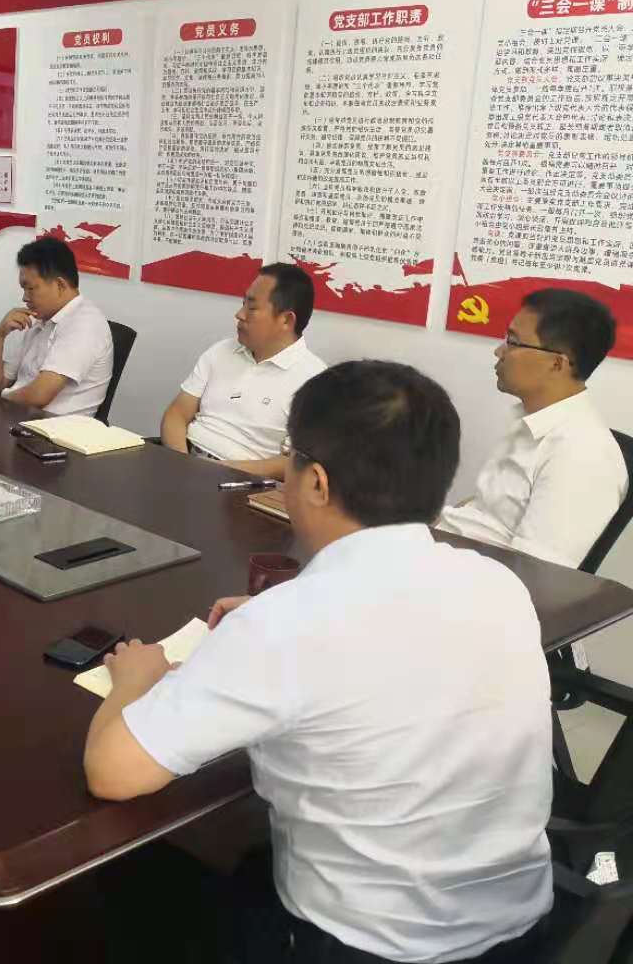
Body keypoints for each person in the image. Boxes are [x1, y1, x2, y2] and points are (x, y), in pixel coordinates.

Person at [86, 361, 552, 964]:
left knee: (129, 886)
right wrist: (284, 609)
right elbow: (386, 635)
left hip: (363, 947)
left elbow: (113, 773)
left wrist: (135, 680)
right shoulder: (497, 583)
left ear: (316, 483)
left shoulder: (283, 626)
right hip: (518, 933)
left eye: (290, 456)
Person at [439, 289, 626, 569]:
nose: (499, 351)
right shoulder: (532, 420)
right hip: (448, 555)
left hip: (473, 580)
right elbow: (486, 513)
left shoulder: (582, 453)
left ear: (557, 363)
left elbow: (535, 575)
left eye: (513, 342)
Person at [160, 263, 325, 478]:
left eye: (252, 308)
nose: (239, 315)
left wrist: (218, 470)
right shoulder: (222, 351)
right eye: (243, 303)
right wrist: (182, 464)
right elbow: (177, 413)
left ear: (286, 320)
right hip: (184, 459)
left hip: (242, 480)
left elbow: (297, 463)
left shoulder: (315, 382)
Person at [0, 235, 114, 416]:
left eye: (31, 288)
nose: (24, 297)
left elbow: (39, 396)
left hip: (55, 429)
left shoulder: (85, 323)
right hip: (19, 419)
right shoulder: (39, 320)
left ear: (60, 285)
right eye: (23, 289)